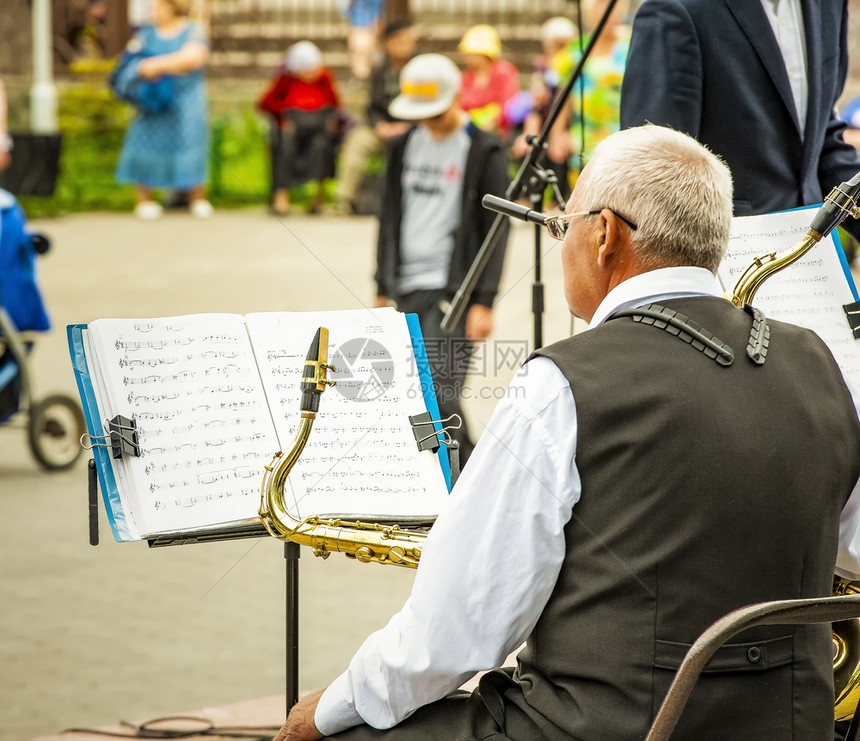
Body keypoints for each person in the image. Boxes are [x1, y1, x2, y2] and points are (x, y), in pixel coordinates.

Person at [273, 124, 860, 741]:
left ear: (604, 234)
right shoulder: (824, 364)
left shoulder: (560, 383)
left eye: (564, 225)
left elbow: (452, 634)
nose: (562, 241)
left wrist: (329, 708)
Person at [619, 0, 860, 244]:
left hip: (814, 256)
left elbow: (819, 141)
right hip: (723, 260)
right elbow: (653, 175)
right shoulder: (676, 7)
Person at [373, 53, 510, 465]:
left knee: (442, 395)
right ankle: (449, 478)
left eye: (433, 112)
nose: (426, 121)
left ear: (454, 99)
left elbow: (497, 231)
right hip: (404, 287)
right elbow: (388, 218)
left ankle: (469, 476)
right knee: (413, 393)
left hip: (454, 292)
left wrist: (484, 299)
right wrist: (381, 285)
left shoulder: (484, 150)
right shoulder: (403, 146)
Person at [114, 0, 212, 220]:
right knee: (145, 140)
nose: (153, 11)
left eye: (158, 6)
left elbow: (193, 59)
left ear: (173, 7)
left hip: (185, 99)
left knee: (190, 142)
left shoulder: (193, 30)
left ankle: (195, 197)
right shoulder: (145, 34)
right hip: (152, 100)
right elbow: (128, 61)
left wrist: (154, 65)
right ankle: (145, 200)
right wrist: (145, 67)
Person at [333, 19, 416, 216]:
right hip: (382, 128)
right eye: (398, 41)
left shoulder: (420, 67)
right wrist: (380, 125)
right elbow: (372, 107)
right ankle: (344, 201)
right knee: (357, 141)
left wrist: (407, 126)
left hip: (413, 129)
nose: (403, 45)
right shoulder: (380, 70)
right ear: (387, 44)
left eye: (406, 40)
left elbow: (427, 106)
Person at [547, 0, 631, 187]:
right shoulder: (576, 49)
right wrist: (557, 134)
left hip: (621, 141)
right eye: (603, 6)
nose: (612, 14)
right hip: (582, 143)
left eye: (616, 8)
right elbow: (564, 95)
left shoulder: (631, 45)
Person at [257, 41, 342, 216]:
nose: (310, 73)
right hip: (291, 132)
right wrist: (283, 113)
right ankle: (281, 198)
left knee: (322, 146)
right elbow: (265, 104)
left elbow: (335, 104)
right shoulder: (285, 80)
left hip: (317, 131)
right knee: (283, 145)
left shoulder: (324, 79)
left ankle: (318, 198)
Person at [510, 16, 578, 206]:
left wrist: (563, 131)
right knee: (533, 143)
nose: (560, 49)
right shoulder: (543, 66)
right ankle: (528, 195)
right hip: (546, 120)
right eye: (556, 44)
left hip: (570, 122)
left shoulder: (576, 64)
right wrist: (529, 132)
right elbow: (536, 104)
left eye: (564, 44)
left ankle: (559, 198)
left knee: (559, 146)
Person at [457, 24, 521, 142]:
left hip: (498, 135)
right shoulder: (465, 78)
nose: (466, 57)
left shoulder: (504, 72)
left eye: (471, 53)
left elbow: (508, 103)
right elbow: (459, 106)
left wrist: (493, 122)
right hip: (470, 134)